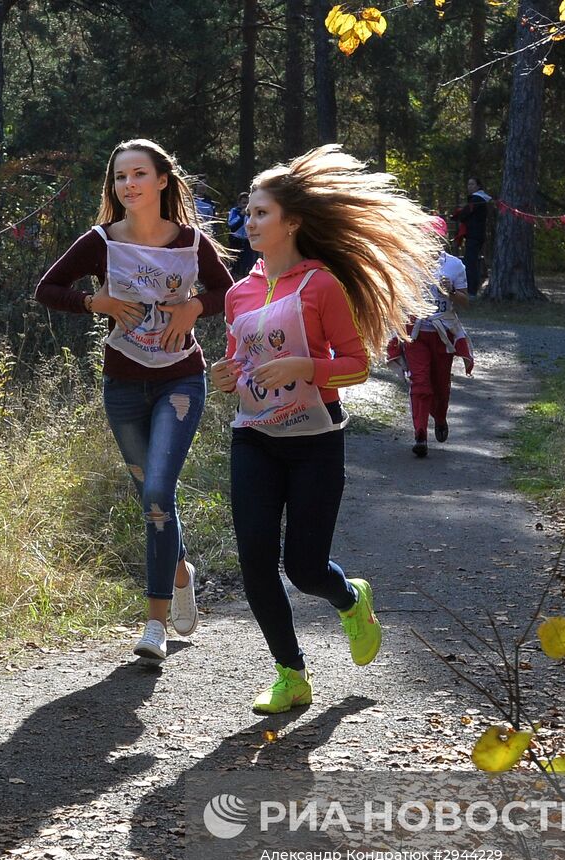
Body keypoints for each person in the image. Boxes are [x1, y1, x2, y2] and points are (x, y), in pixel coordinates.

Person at [210, 145, 441, 714]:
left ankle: (350, 597)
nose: (249, 221)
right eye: (249, 212)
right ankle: (292, 675)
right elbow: (239, 360)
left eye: (261, 213)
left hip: (315, 441)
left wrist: (306, 368)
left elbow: (359, 363)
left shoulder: (321, 286)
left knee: (305, 568)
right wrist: (224, 373)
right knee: (256, 559)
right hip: (254, 437)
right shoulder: (239, 292)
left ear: (293, 222)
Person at [35, 139, 233, 662]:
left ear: (162, 181)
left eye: (138, 175)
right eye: (120, 177)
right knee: (153, 498)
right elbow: (47, 289)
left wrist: (193, 307)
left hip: (181, 381)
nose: (128, 186)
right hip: (122, 383)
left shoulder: (191, 243)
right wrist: (92, 301)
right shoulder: (101, 240)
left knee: (157, 493)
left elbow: (227, 294)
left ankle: (154, 625)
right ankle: (181, 570)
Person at [386, 218, 475, 458]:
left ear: (443, 239)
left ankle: (441, 418)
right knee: (420, 383)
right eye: (426, 236)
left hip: (443, 333)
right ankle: (420, 434)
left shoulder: (455, 266)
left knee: (440, 386)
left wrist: (452, 291)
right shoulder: (408, 262)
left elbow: (465, 302)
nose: (430, 241)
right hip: (416, 333)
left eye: (435, 237)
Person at [454, 177, 492, 294]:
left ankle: (471, 291)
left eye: (472, 184)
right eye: (468, 184)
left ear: (478, 186)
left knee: (470, 264)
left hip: (474, 236)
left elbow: (465, 213)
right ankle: (472, 289)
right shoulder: (476, 199)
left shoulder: (477, 199)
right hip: (475, 235)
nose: (469, 186)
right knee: (472, 262)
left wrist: (458, 214)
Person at [226, 193, 256, 278]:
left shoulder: (253, 213)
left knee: (249, 263)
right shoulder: (234, 211)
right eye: (243, 203)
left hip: (248, 241)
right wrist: (241, 216)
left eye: (247, 203)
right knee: (235, 264)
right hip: (236, 241)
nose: (245, 206)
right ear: (239, 203)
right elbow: (232, 226)